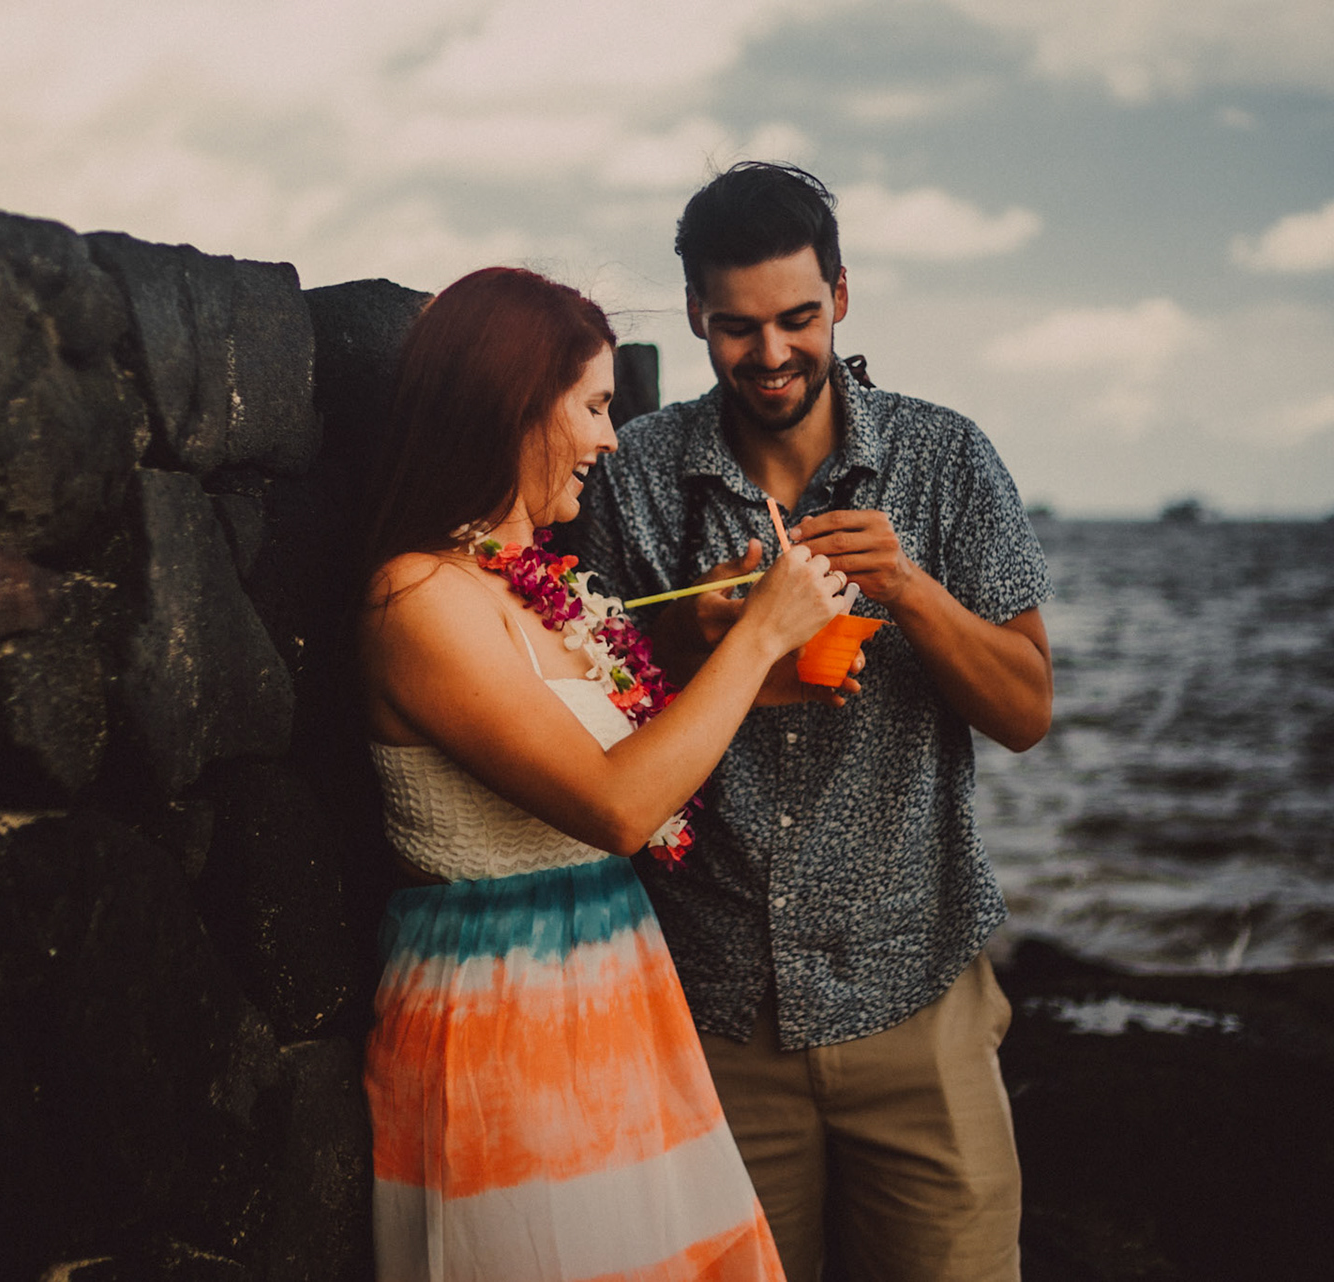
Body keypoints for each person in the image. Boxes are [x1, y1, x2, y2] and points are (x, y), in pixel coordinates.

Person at [562, 162, 1054, 1282]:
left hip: (917, 1004)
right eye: (737, 327)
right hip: (712, 1014)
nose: (772, 352)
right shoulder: (631, 475)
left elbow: (1027, 710)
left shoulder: (948, 456)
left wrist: (915, 592)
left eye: (796, 317)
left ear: (841, 294)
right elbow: (589, 717)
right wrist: (704, 641)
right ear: (695, 314)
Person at [358, 266, 859, 1282]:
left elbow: (622, 749)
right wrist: (759, 639)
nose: (610, 438)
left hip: (613, 994)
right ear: (510, 404)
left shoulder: (530, 587)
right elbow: (620, 804)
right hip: (502, 1022)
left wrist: (746, 669)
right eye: (591, 405)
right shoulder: (416, 597)